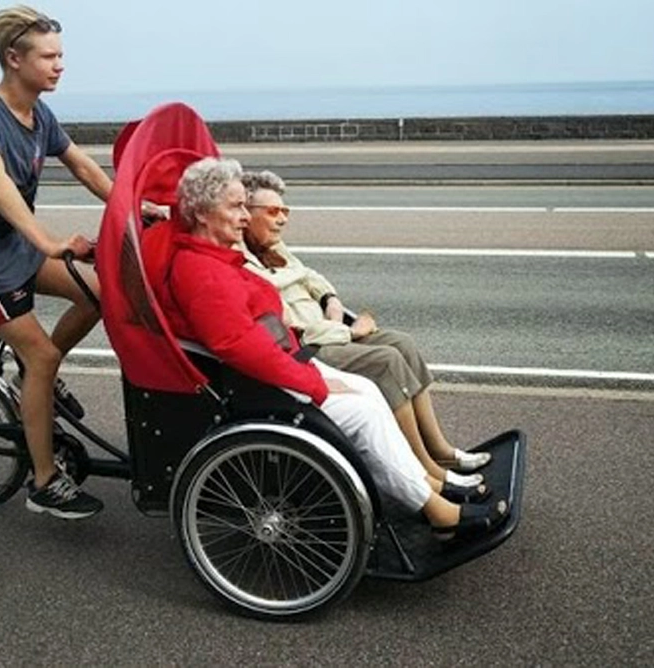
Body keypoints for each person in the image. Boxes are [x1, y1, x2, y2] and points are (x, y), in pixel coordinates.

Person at [150, 156, 507, 539]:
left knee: (369, 391)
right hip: (260, 382)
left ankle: (425, 484)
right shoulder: (201, 271)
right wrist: (313, 384)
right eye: (236, 206)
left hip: (282, 364)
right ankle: (438, 511)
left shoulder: (216, 258)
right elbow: (240, 346)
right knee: (362, 412)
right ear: (203, 213)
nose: (243, 215)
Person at [0, 5, 112, 519]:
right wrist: (49, 241)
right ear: (14, 58)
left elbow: (80, 163)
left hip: (16, 250)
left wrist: (132, 203)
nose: (60, 65)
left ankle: (27, 382)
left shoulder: (40, 114)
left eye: (61, 56)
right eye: (49, 56)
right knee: (43, 357)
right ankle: (45, 480)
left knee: (101, 294)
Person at [238, 170, 491, 487]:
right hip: (311, 348)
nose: (283, 219)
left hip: (328, 328)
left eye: (285, 211)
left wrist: (330, 299)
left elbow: (309, 276)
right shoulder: (245, 265)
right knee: (387, 361)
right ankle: (423, 468)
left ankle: (439, 448)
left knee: (403, 344)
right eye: (273, 212)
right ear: (246, 214)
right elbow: (295, 329)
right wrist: (348, 331)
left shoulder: (274, 247)